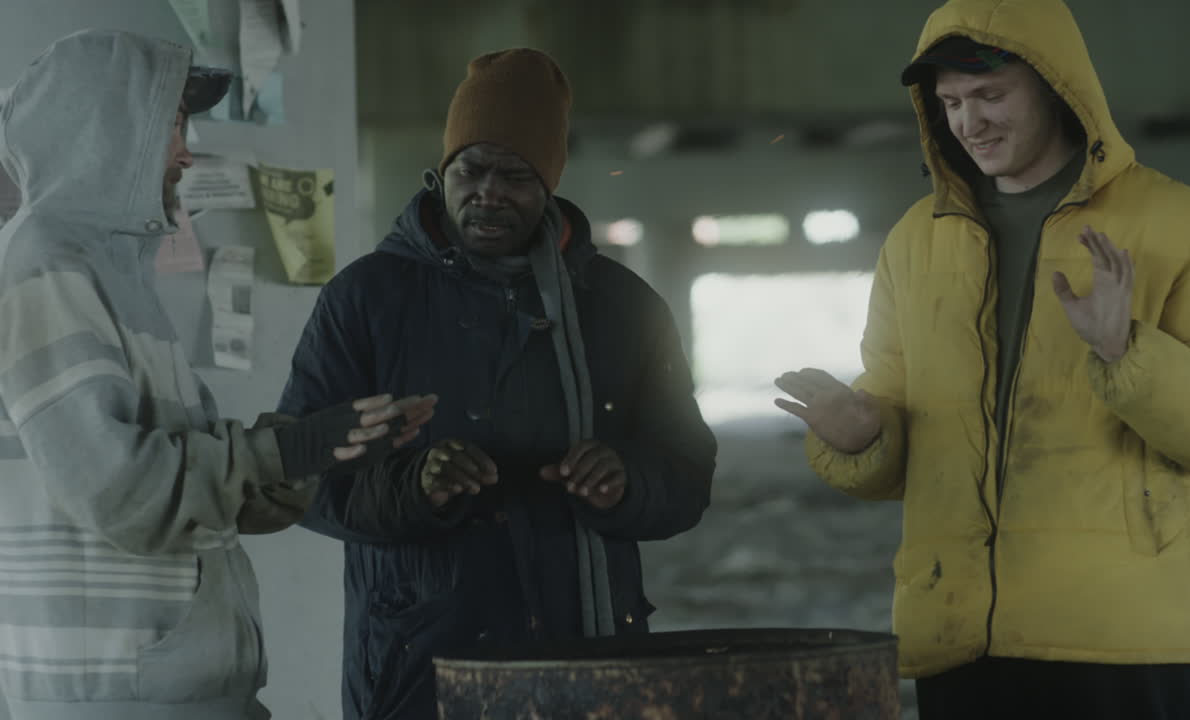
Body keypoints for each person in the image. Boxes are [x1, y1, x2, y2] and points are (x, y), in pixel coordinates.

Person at [775, 1, 1190, 718]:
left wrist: (1125, 351)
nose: (968, 123)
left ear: (1056, 87)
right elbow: (900, 445)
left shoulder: (1175, 225)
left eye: (990, 96)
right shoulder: (916, 242)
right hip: (958, 640)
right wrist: (862, 434)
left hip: (1113, 642)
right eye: (949, 102)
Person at [0, 30, 432, 720]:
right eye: (172, 122)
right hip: (116, 699)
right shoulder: (45, 261)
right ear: (107, 123)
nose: (185, 152)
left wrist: (323, 445)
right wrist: (285, 449)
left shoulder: (110, 271)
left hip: (166, 693)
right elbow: (124, 493)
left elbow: (189, 494)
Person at [278, 47, 717, 719]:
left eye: (514, 175)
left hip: (587, 650)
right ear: (442, 171)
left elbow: (686, 472)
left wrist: (626, 480)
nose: (487, 191)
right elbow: (298, 475)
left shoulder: (623, 307)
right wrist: (412, 485)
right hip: (420, 663)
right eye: (471, 169)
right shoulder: (366, 298)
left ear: (548, 185)